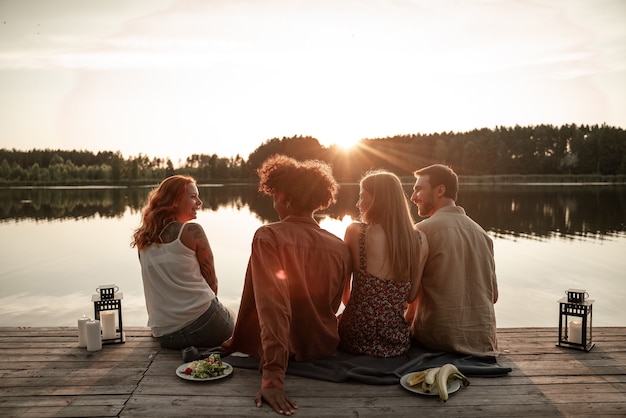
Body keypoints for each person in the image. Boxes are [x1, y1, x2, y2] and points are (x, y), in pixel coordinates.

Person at [221, 154, 351, 416]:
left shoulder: (268, 236)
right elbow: (338, 303)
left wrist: (272, 378)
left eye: (274, 195)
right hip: (322, 346)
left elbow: (274, 307)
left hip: (284, 352)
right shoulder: (340, 246)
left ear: (282, 197)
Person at [131, 175, 234, 350]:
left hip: (165, 335)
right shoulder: (192, 231)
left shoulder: (143, 240)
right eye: (193, 197)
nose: (199, 202)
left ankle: (192, 350)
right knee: (232, 316)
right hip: (204, 326)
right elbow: (212, 284)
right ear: (175, 201)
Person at [406, 164, 499, 356]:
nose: (413, 197)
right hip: (483, 342)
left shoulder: (422, 231)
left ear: (440, 190)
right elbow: (494, 296)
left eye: (418, 189)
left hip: (437, 340)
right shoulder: (482, 234)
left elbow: (410, 295)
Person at [338, 170, 427, 357]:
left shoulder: (355, 232)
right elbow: (411, 297)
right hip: (395, 340)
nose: (357, 204)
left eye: (361, 197)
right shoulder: (419, 240)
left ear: (377, 200)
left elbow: (344, 296)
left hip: (354, 336)